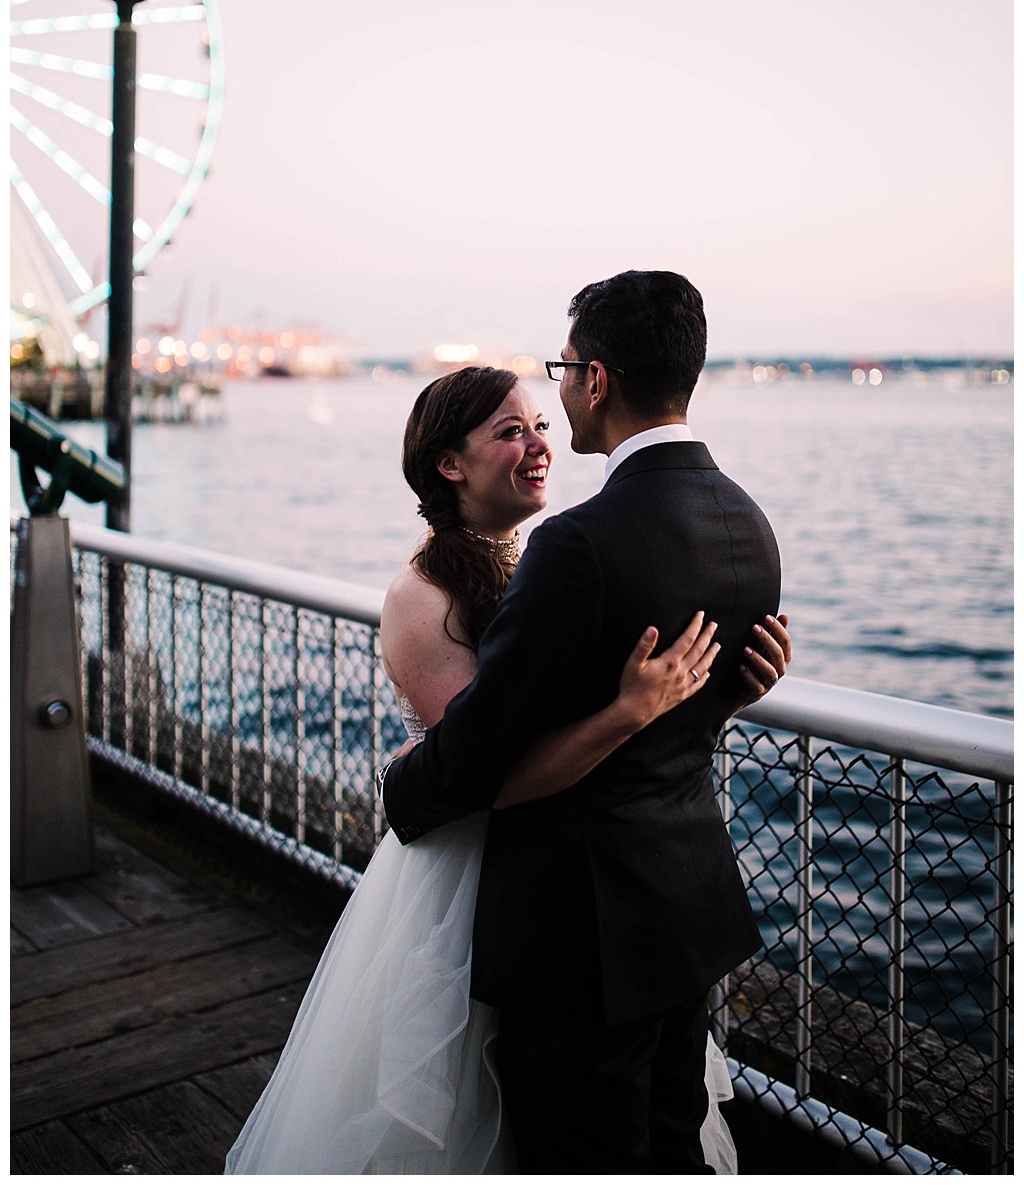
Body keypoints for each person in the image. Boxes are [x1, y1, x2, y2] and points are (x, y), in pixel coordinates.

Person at [225, 357, 789, 1174]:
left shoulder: (550, 562)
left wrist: (716, 696)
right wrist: (630, 710)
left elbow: (616, 724)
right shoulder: (422, 596)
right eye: (508, 432)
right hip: (477, 886)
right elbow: (484, 780)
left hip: (588, 889)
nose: (537, 446)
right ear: (449, 464)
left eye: (538, 427)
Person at [381, 270, 787, 1174]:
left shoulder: (578, 543)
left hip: (580, 931)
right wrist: (724, 695)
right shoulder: (747, 524)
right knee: (667, 1147)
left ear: (595, 380)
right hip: (683, 906)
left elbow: (479, 750)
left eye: (562, 375)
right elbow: (681, 698)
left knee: (577, 1151)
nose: (550, 413)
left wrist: (401, 784)